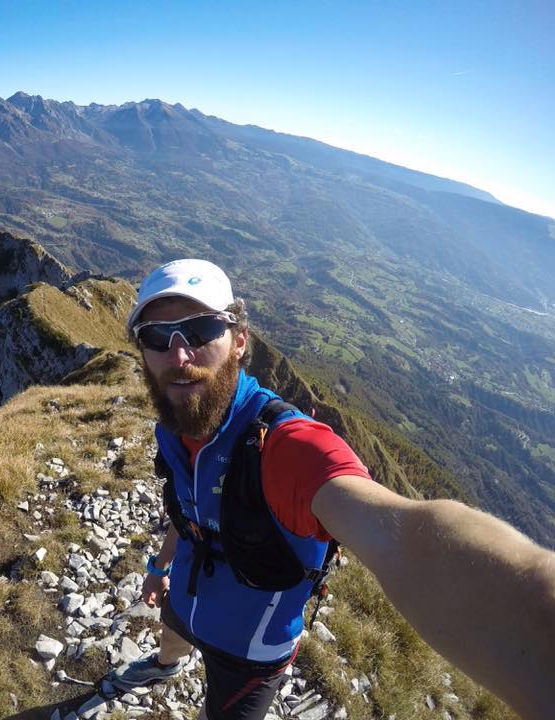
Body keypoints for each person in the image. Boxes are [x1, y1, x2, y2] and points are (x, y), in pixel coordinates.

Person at [108, 259, 555, 720]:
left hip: (249, 652)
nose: (178, 357)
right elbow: (187, 509)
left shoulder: (283, 447)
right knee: (173, 630)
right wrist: (158, 566)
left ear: (240, 341)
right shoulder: (174, 425)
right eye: (157, 337)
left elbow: (410, 539)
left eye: (200, 331)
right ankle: (165, 665)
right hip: (186, 591)